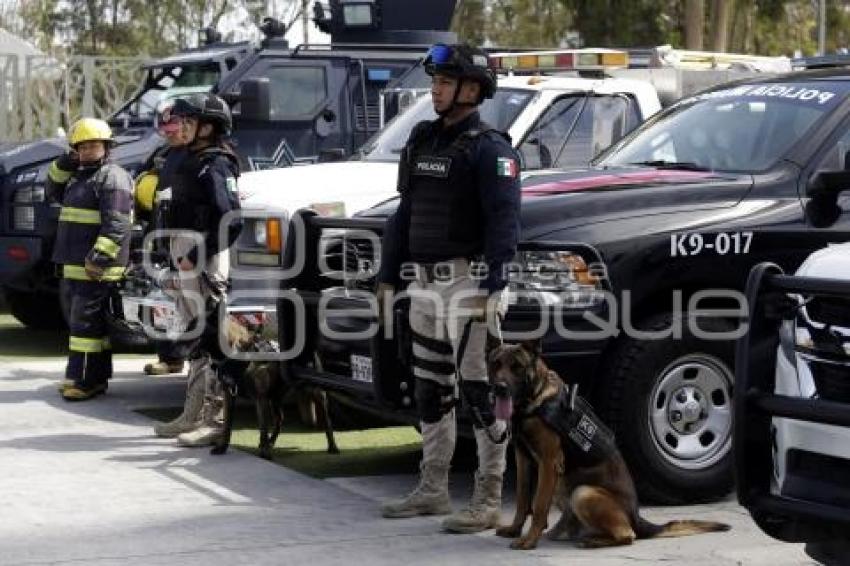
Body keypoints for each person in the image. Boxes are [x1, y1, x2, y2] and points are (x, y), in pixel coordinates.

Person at [377, 44, 522, 533]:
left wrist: (494, 286)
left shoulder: (491, 147)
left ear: (472, 89)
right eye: (435, 80)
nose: (434, 88)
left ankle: (487, 498)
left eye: (444, 81)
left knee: (482, 392)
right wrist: (386, 274)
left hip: (469, 284)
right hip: (422, 285)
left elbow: (505, 221)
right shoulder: (422, 140)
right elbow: (405, 213)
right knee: (429, 389)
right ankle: (433, 489)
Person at [149, 93, 242, 446]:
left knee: (211, 338)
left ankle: (214, 420)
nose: (181, 126)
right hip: (183, 251)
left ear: (208, 127)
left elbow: (231, 221)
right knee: (197, 338)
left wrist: (198, 254)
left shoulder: (216, 164)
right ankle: (193, 414)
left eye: (189, 121)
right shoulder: (187, 159)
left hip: (204, 256)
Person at [47, 118, 133, 401]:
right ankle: (93, 378)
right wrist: (66, 160)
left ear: (107, 147)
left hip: (96, 269)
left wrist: (98, 258)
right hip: (75, 268)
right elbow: (52, 188)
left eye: (93, 145)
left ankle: (83, 381)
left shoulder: (113, 177)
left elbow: (118, 225)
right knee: (87, 327)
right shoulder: (79, 176)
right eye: (81, 147)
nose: (87, 151)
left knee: (85, 327)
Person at [135, 100, 193, 377]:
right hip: (160, 235)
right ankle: (169, 358)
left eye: (174, 127)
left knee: (193, 301)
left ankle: (197, 360)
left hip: (190, 241)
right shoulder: (163, 153)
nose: (169, 132)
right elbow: (143, 182)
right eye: (165, 128)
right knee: (162, 298)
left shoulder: (207, 155)